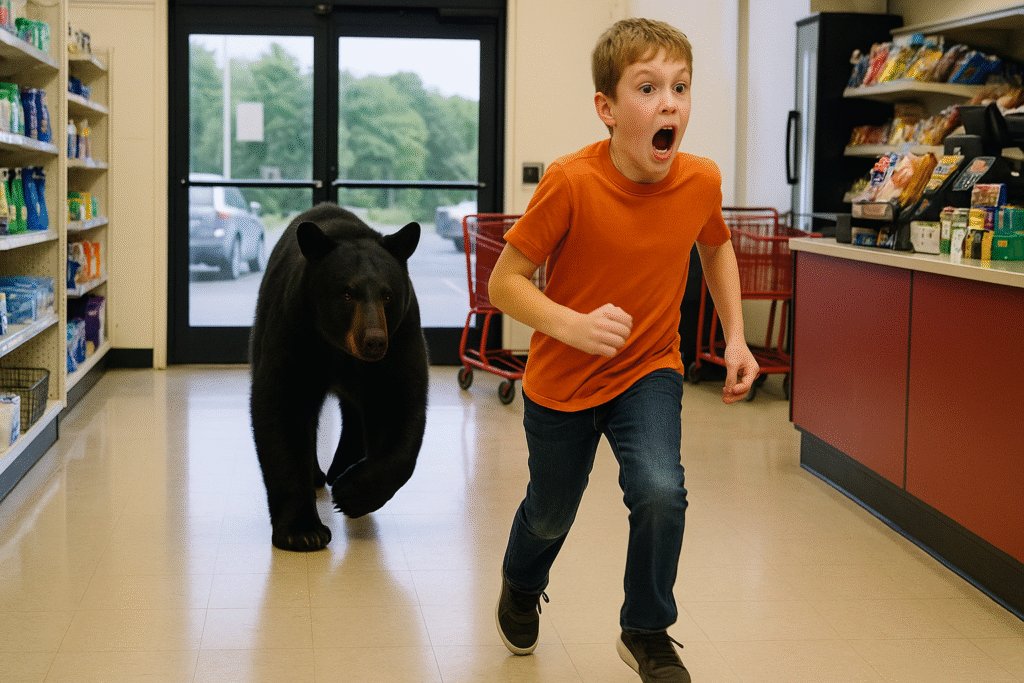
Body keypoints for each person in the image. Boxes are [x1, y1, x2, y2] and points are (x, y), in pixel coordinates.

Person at [490, 17, 759, 683]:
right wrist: (570, 325)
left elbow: (715, 244)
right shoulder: (570, 181)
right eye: (648, 88)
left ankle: (646, 629)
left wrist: (736, 336)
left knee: (661, 490)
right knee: (551, 512)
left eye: (681, 87)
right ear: (607, 109)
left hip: (650, 367)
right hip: (563, 378)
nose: (670, 102)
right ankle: (522, 582)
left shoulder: (699, 180)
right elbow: (505, 283)